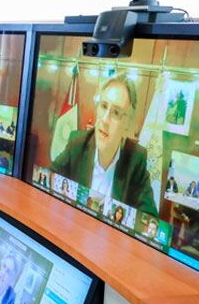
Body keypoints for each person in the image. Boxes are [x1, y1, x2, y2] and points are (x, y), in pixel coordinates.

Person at [51, 75, 157, 215]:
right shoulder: (78, 144)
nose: (105, 119)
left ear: (127, 123)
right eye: (103, 106)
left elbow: (148, 218)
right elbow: (49, 179)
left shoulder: (136, 160)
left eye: (116, 113)